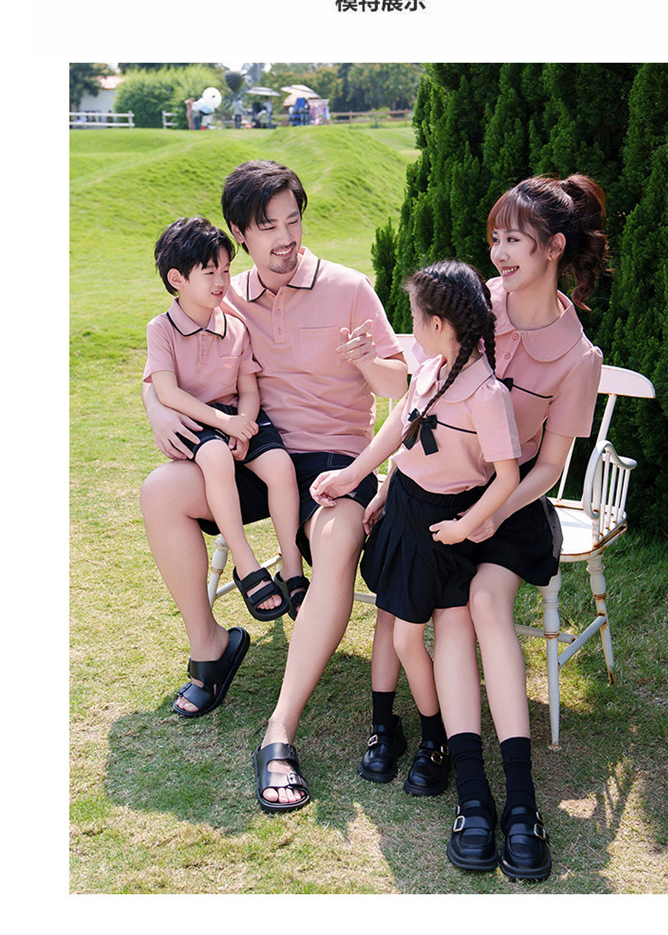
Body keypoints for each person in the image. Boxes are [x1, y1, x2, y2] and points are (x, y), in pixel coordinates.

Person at [360, 174, 609, 880]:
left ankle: (522, 804)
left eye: (515, 240)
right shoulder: (473, 304)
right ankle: (473, 796)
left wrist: (489, 514)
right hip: (443, 501)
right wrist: (390, 484)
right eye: (495, 237)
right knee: (451, 618)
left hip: (514, 504)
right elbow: (421, 402)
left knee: (486, 603)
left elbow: (549, 467)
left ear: (554, 248)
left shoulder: (578, 356)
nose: (499, 252)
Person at [140, 160, 408, 810]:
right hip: (255, 454)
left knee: (337, 541)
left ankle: (280, 729)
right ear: (239, 234)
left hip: (336, 462)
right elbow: (162, 361)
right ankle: (212, 646)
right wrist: (156, 409)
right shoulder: (223, 292)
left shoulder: (349, 288)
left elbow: (406, 390)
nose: (286, 238)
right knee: (160, 489)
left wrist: (367, 361)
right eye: (268, 227)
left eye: (294, 221)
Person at [311, 260, 520, 800]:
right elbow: (401, 427)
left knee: (407, 635)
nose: (411, 325)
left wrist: (466, 527)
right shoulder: (430, 370)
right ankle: (391, 728)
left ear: (439, 324)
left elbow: (506, 477)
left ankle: (436, 738)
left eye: (414, 316)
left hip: (443, 524)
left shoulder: (486, 394)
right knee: (391, 619)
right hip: (403, 506)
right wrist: (362, 480)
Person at [144, 216, 306, 682]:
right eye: (209, 272)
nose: (221, 281)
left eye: (225, 270)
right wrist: (223, 423)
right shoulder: (162, 329)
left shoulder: (234, 326)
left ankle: (292, 568)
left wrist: (245, 423)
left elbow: (248, 387)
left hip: (238, 417)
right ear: (177, 279)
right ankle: (246, 562)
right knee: (214, 455)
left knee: (279, 465)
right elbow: (167, 393)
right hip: (201, 421)